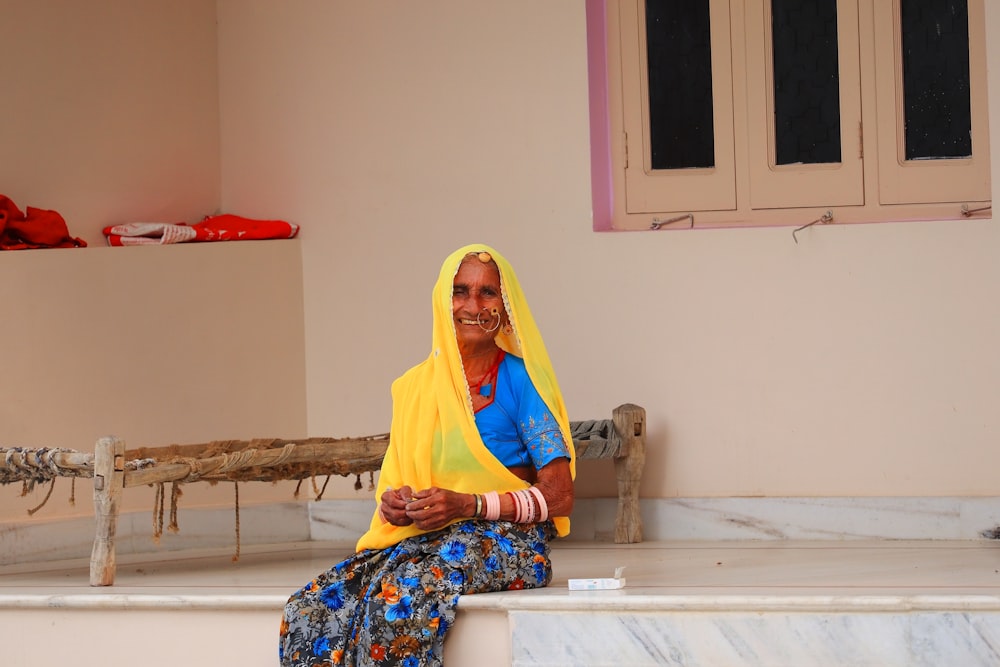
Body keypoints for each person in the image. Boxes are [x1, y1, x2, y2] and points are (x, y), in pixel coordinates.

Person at [279, 244, 576, 667]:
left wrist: (467, 504)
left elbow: (560, 496)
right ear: (442, 301)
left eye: (488, 293)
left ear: (507, 308)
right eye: (460, 291)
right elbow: (397, 483)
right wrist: (398, 504)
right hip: (422, 542)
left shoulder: (523, 380)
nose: (473, 305)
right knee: (309, 609)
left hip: (510, 544)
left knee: (397, 605)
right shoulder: (415, 387)